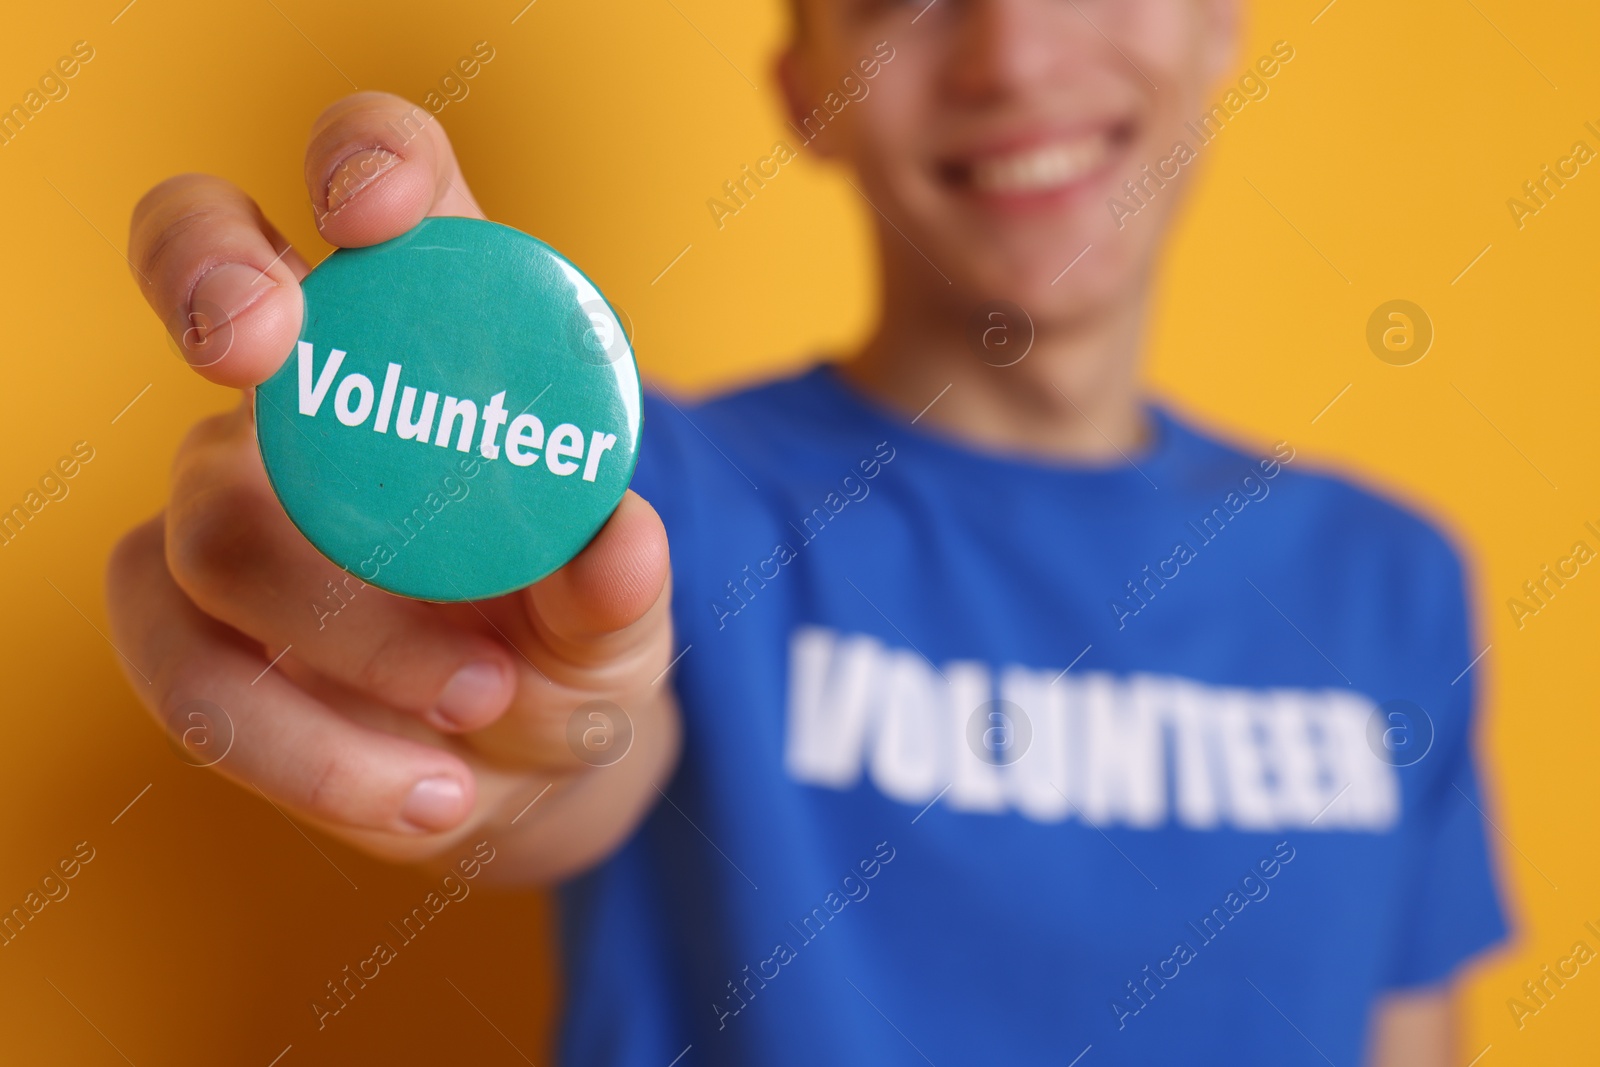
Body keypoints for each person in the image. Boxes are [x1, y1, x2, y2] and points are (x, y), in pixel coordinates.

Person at [107, 0, 1507, 1063]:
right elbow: (571, 736)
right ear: (807, 94)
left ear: (1221, 18)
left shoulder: (1391, 584)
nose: (1011, 54)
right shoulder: (655, 491)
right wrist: (463, 667)